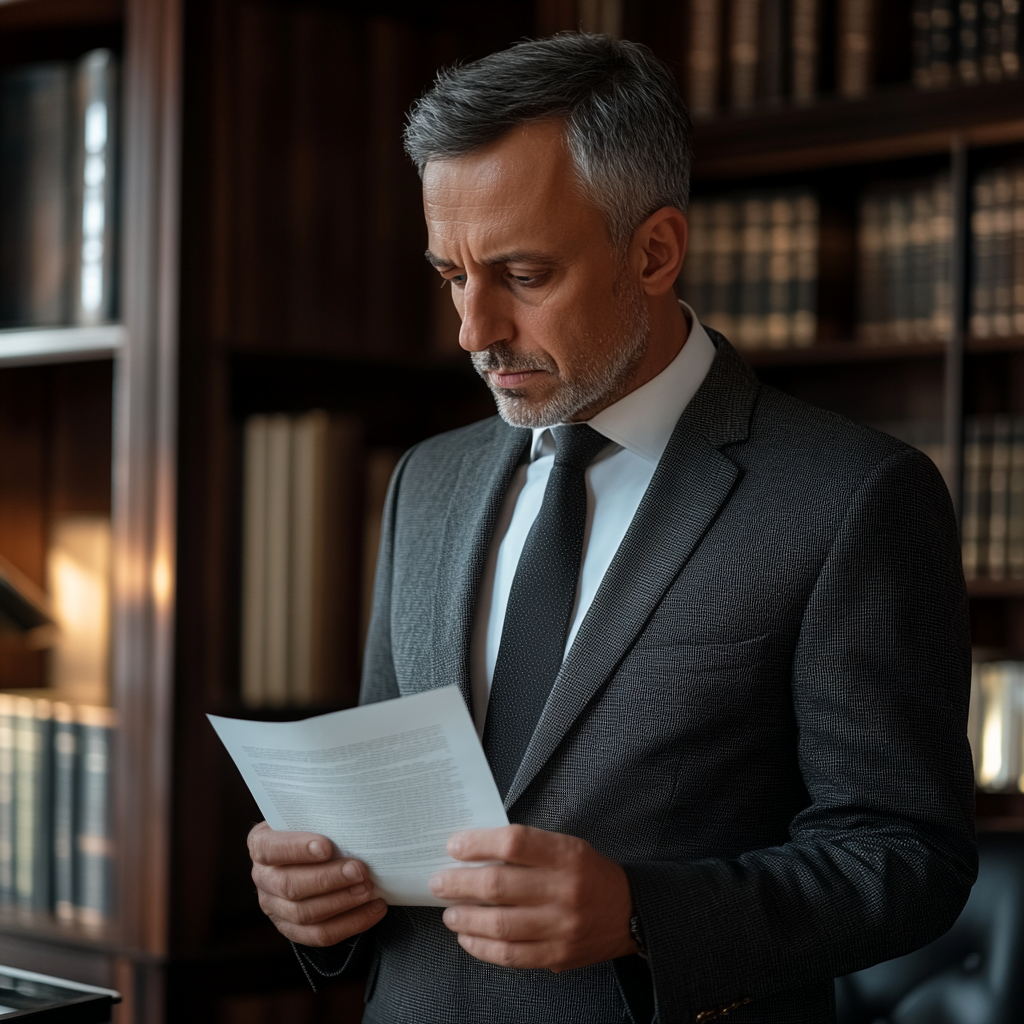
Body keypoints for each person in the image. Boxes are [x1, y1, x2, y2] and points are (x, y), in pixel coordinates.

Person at [246, 34, 977, 1024]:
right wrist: (320, 898)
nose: (473, 329)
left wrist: (644, 913)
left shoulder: (855, 495)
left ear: (654, 250)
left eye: (520, 274)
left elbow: (906, 855)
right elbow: (389, 808)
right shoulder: (428, 479)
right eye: (450, 275)